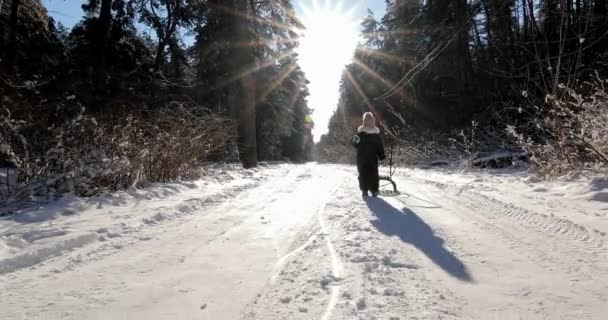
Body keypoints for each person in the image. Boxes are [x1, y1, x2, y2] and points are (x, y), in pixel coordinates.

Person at [352, 112, 386, 197]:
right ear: (364, 122)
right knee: (363, 174)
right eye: (366, 120)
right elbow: (355, 145)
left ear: (373, 121)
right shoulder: (360, 134)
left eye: (370, 120)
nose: (368, 122)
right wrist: (354, 140)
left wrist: (382, 156)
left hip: (372, 158)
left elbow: (379, 146)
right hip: (361, 158)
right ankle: (364, 190)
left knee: (374, 174)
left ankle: (374, 190)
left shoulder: (375, 135)